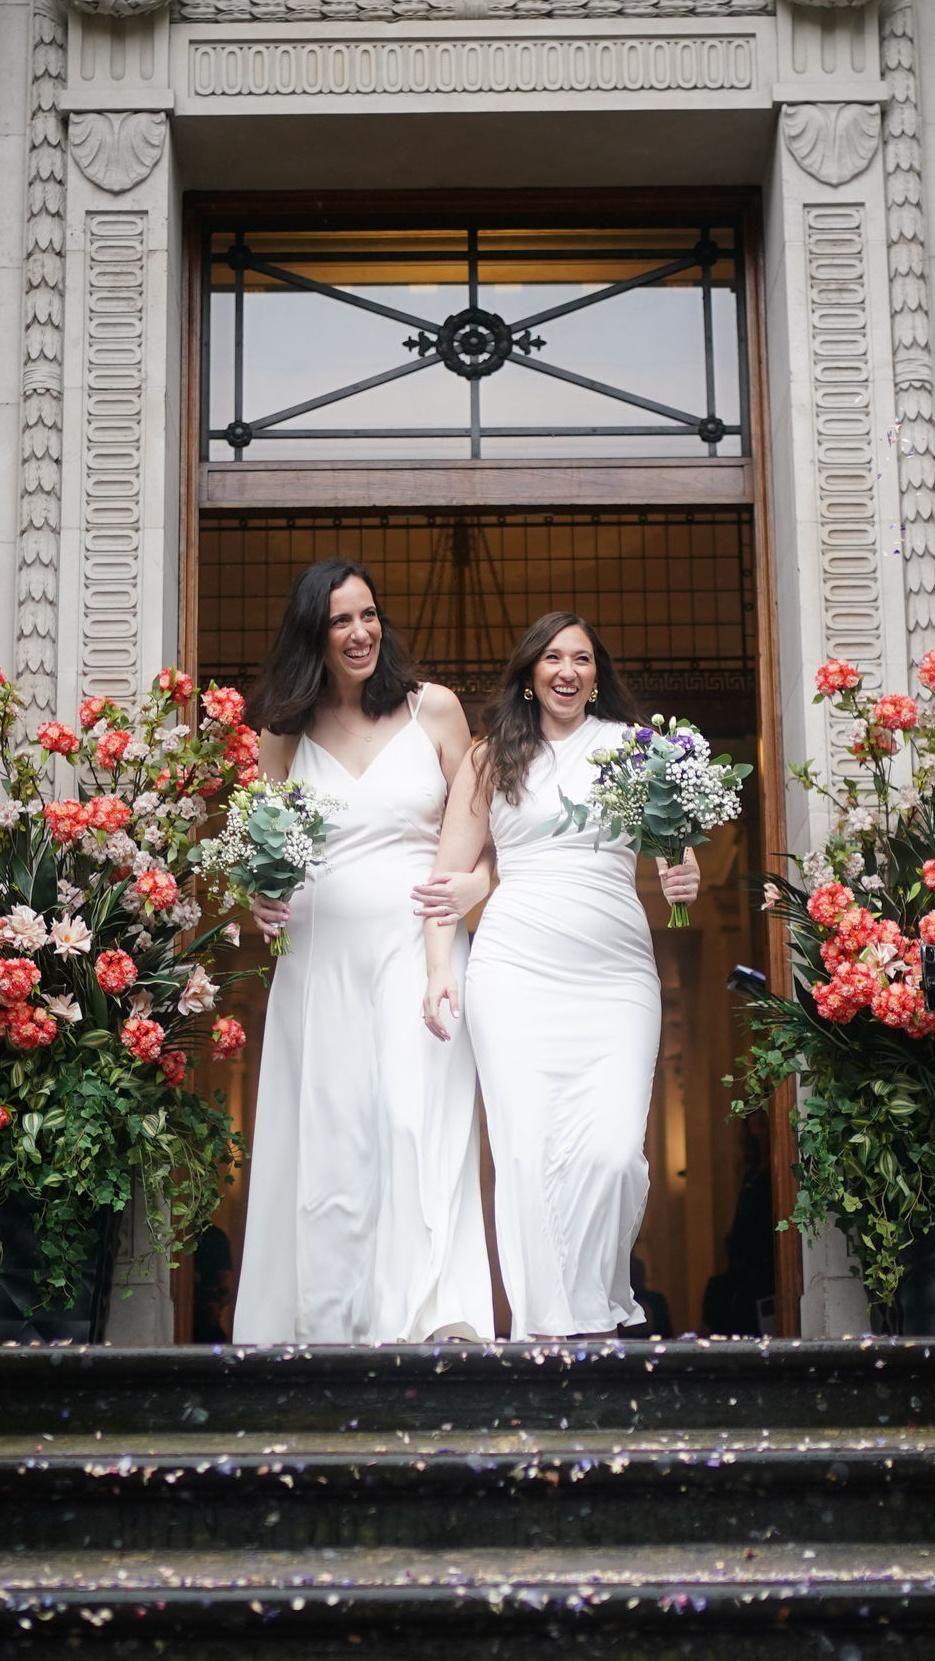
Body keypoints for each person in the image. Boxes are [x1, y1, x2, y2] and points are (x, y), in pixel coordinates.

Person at [232, 561, 494, 1345]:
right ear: (314, 634)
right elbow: (259, 854)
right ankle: (330, 1319)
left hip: (419, 949)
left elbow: (492, 836)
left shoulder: (434, 712)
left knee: (414, 1121)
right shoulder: (281, 734)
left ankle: (428, 1312)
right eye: (342, 620)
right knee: (332, 1131)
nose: (361, 632)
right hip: (319, 958)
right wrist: (256, 896)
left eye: (369, 615)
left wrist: (479, 884)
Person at [418, 613, 700, 1341]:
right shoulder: (488, 759)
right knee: (523, 1152)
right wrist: (438, 968)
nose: (566, 670)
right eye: (551, 657)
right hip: (513, 969)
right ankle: (548, 1328)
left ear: (596, 675)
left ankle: (588, 1308)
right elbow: (448, 878)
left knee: (610, 1154)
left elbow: (676, 855)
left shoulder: (637, 752)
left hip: (613, 974)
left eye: (580, 658)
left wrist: (682, 873)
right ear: (529, 673)